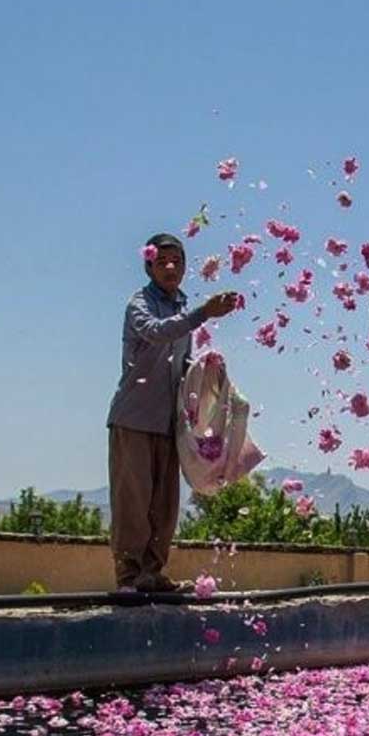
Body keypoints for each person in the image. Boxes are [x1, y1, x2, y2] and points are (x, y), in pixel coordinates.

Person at [106, 233, 239, 591]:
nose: (170, 267)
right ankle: (129, 577)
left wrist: (206, 369)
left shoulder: (181, 306)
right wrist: (203, 313)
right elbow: (156, 332)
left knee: (164, 506)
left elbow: (180, 364)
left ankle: (152, 573)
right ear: (148, 265)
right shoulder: (139, 304)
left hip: (168, 422)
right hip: (134, 419)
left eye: (177, 261)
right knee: (133, 503)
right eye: (162, 261)